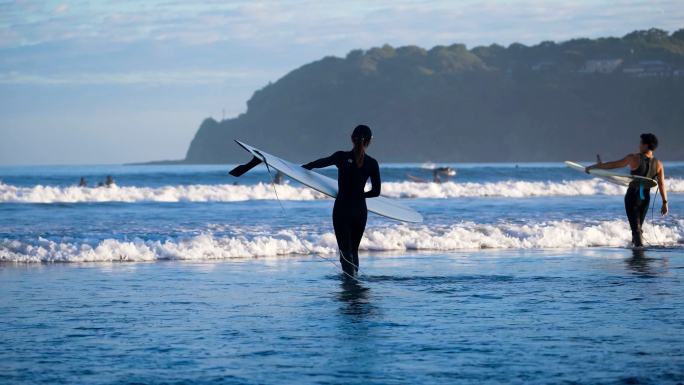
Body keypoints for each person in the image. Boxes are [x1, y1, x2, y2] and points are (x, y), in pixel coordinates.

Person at [302, 125, 380, 278]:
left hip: (342, 209)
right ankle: (354, 284)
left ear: (352, 138)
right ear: (369, 142)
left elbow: (317, 164)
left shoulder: (340, 157)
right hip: (359, 210)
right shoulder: (372, 163)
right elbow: (376, 192)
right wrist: (359, 195)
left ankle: (349, 284)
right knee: (353, 250)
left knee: (345, 252)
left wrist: (303, 168)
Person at [585, 133, 668, 247]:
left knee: (636, 230)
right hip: (645, 199)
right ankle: (636, 253)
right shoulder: (659, 164)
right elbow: (661, 184)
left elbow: (614, 165)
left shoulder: (634, 158)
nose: (638, 145)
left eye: (640, 143)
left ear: (645, 145)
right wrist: (664, 202)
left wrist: (594, 167)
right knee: (638, 228)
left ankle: (639, 256)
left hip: (632, 196)